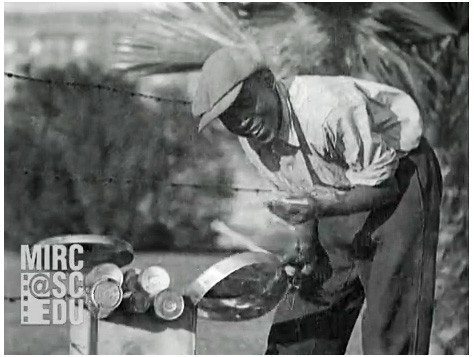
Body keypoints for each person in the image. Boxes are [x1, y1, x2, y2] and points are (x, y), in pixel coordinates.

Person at [192, 47, 442, 354]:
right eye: (229, 117)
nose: (243, 121)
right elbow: (301, 197)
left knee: (390, 326)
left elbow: (385, 187)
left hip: (396, 177)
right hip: (336, 193)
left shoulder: (329, 108)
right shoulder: (253, 139)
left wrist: (323, 208)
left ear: (269, 81)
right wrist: (307, 248)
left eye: (245, 103)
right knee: (301, 327)